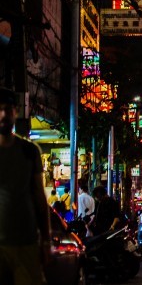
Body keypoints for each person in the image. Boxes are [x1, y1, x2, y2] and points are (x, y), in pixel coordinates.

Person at [0, 87, 51, 285]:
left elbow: (40, 197)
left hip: (26, 243)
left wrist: (45, 240)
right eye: (0, 109)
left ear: (16, 112)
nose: (4, 114)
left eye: (8, 109)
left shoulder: (30, 151)